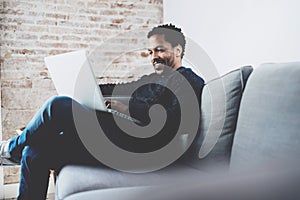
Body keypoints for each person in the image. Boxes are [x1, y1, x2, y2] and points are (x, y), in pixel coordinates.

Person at [0, 24, 205, 199]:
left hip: (145, 148)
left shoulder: (190, 81)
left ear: (178, 50)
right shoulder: (151, 80)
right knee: (35, 152)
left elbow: (172, 124)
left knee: (57, 106)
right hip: (123, 138)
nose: (154, 57)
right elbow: (120, 88)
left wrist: (126, 107)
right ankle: (19, 149)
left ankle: (10, 149)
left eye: (160, 50)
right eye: (151, 52)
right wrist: (86, 86)